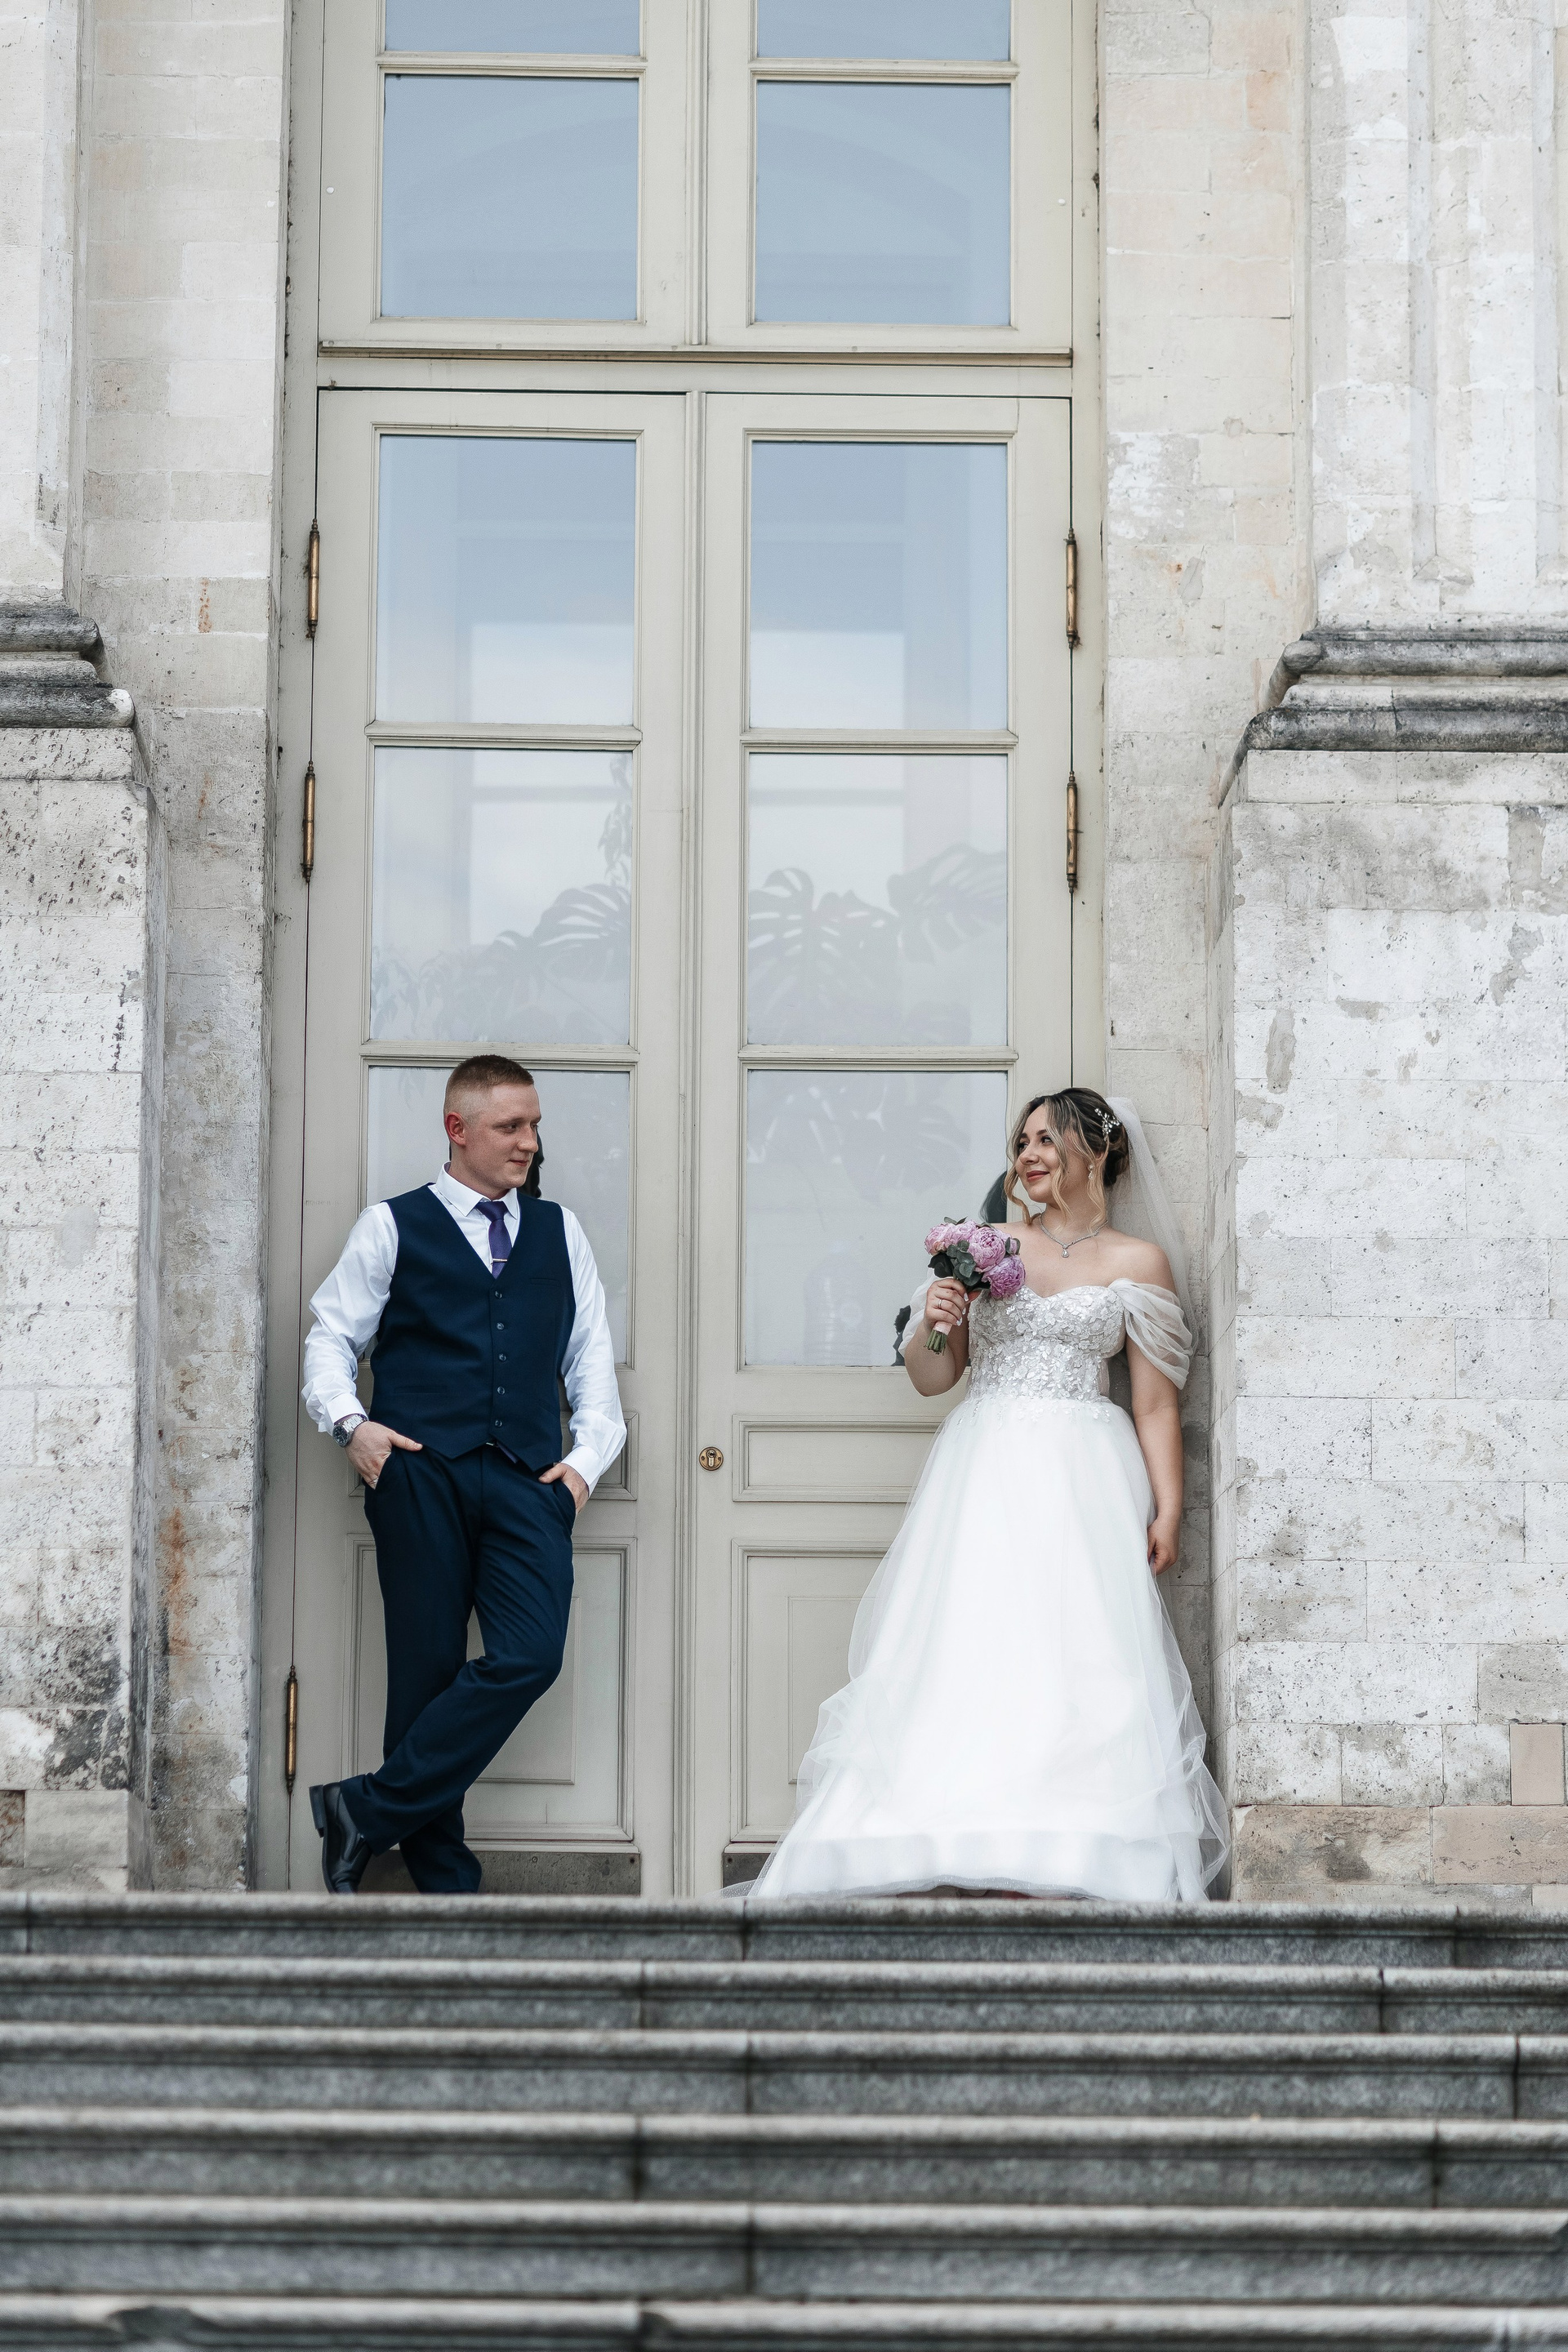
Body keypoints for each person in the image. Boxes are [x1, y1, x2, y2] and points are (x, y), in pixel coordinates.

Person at [744, 1088, 1227, 1904]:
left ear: (1097, 1151)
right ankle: (941, 1836)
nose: (1028, 1155)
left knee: (1078, 1653)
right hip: (986, 1465)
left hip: (1084, 1476)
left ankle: (1070, 1853)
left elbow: (1153, 1403)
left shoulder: (1139, 1263)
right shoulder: (985, 1245)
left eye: (1047, 1140)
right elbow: (933, 1378)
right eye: (1022, 1141)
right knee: (968, 1642)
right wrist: (936, 1320)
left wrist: (1170, 1508)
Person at [300, 1054, 625, 1895]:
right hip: (418, 1472)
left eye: (534, 1126)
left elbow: (591, 1358)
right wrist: (352, 1427)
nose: (529, 1142)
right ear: (458, 1129)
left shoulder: (560, 1231)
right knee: (425, 1672)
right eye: (511, 1126)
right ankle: (445, 1882)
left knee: (530, 1655)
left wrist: (583, 1467)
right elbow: (330, 1337)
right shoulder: (391, 1225)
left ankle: (364, 1810)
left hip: (528, 1479)